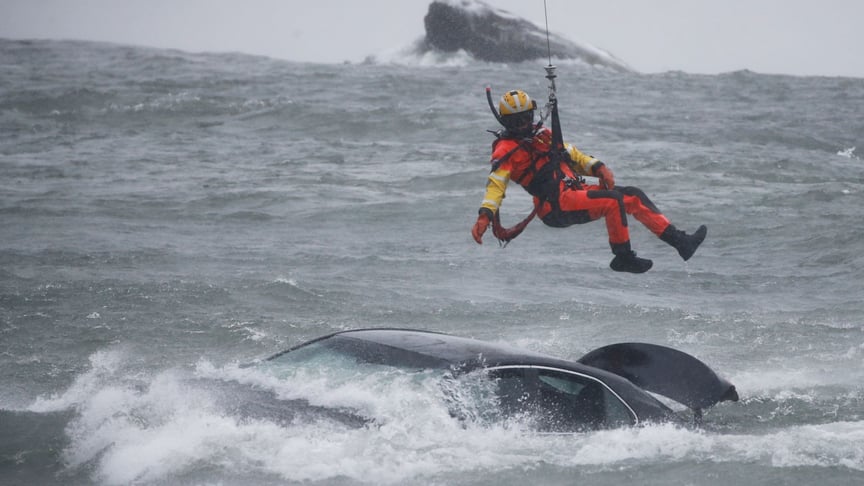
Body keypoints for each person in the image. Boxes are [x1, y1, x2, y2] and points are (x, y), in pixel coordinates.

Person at [471, 89, 707, 273]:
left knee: (632, 196)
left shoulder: (542, 136)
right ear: (506, 122)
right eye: (517, 122)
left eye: (526, 118)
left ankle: (681, 242)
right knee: (612, 201)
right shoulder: (505, 150)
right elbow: (496, 186)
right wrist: (485, 215)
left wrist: (598, 167)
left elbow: (572, 155)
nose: (524, 125)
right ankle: (623, 257)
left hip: (574, 191)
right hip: (555, 206)